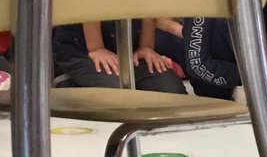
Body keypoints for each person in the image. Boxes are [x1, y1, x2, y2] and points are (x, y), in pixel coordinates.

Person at [156, 17, 267, 116]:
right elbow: (197, 64)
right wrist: (249, 79)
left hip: (263, 72)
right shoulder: (204, 0)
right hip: (223, 81)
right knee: (229, 23)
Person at [51, 20, 186, 92]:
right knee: (117, 93)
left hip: (128, 46)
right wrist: (96, 47)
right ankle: (70, 79)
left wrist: (146, 46)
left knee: (171, 89)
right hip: (83, 47)